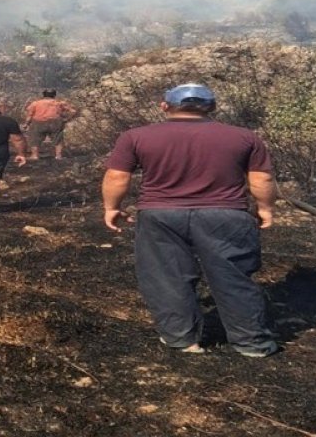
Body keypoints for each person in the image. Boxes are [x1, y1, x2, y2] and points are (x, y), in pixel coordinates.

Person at [101, 83, 279, 357]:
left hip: (160, 215)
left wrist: (111, 207)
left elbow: (116, 177)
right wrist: (265, 208)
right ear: (213, 107)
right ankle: (251, 344)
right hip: (225, 214)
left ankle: (182, 339)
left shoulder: (135, 136)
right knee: (234, 276)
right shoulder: (243, 137)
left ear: (164, 106)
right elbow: (262, 178)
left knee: (166, 276)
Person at [23, 89, 77, 160]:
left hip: (38, 123)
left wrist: (26, 124)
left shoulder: (35, 103)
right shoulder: (59, 103)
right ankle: (58, 156)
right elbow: (73, 111)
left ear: (43, 95)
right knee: (58, 139)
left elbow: (30, 115)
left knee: (34, 139)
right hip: (55, 123)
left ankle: (35, 155)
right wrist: (67, 119)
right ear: (54, 95)